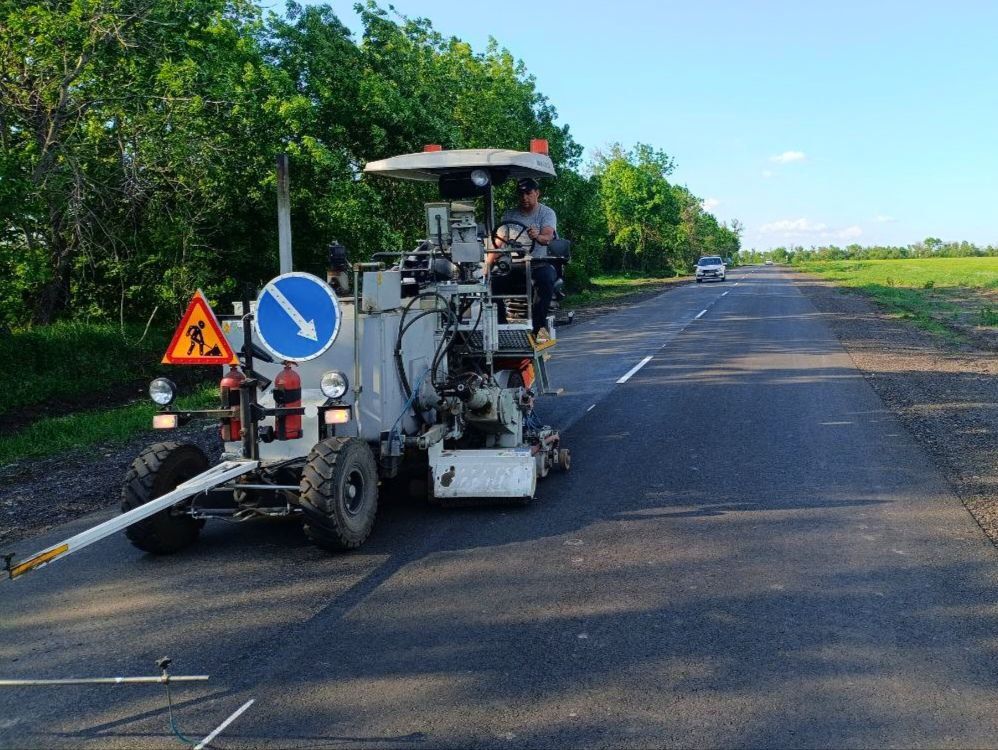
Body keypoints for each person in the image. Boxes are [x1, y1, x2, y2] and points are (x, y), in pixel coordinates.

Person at [490, 177, 558, 339]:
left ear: (537, 193)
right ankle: (500, 328)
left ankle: (538, 328)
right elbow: (499, 243)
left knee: (545, 279)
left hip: (538, 264)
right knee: (492, 283)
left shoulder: (546, 213)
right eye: (521, 194)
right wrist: (487, 266)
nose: (524, 197)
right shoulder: (510, 214)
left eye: (528, 193)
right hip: (514, 265)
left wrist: (537, 236)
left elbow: (548, 237)